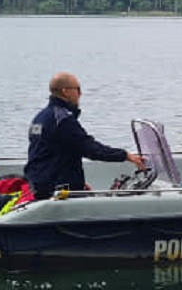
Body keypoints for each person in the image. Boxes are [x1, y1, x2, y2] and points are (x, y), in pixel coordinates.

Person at [24, 71, 146, 199]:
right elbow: (90, 149)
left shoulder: (40, 117)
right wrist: (125, 155)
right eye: (78, 89)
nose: (80, 94)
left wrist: (78, 183)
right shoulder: (63, 120)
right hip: (55, 192)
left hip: (38, 185)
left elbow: (52, 154)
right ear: (65, 91)